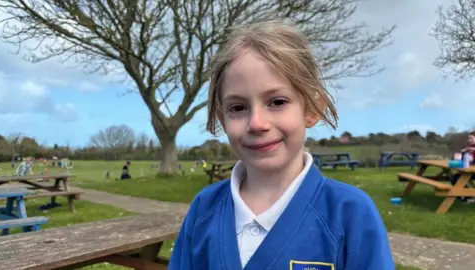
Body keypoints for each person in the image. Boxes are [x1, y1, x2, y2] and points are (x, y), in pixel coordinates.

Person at [169, 20, 394, 269]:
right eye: (238, 108)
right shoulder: (204, 208)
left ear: (311, 108)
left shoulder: (351, 213)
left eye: (277, 102)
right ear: (222, 119)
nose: (256, 123)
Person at [450, 131, 475, 203]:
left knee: (460, 178)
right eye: (468, 138)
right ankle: (464, 195)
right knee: (454, 177)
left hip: (473, 171)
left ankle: (468, 196)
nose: (469, 140)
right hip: (470, 170)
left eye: (471, 138)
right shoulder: (469, 148)